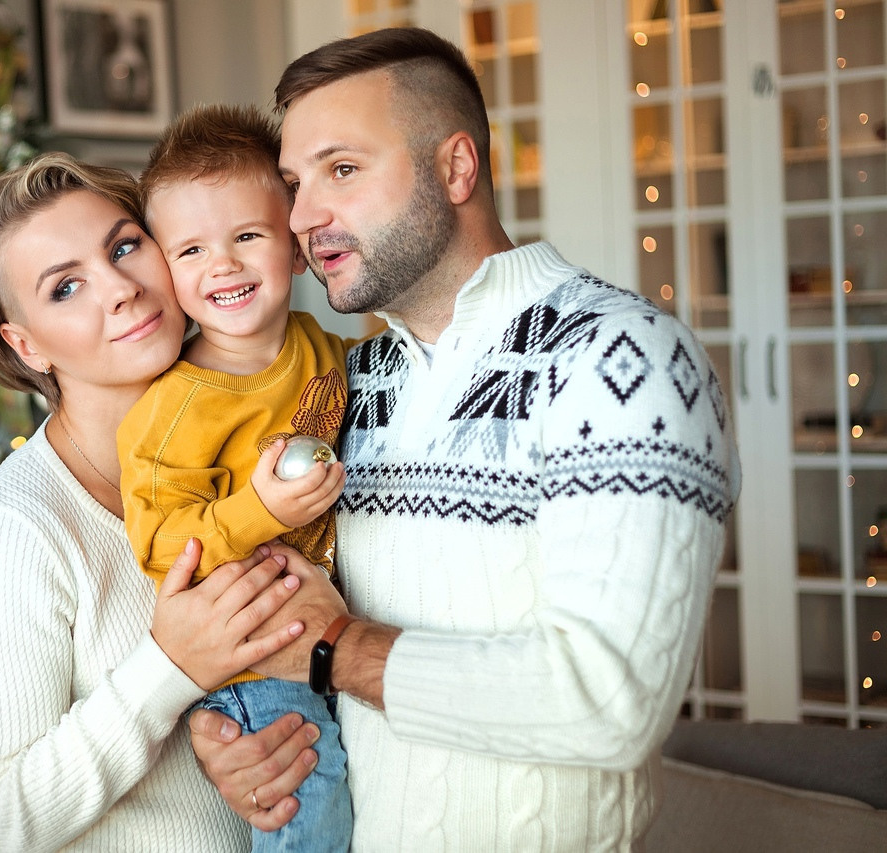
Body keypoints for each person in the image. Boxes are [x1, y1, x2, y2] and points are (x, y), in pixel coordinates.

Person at [189, 27, 742, 850]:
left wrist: (338, 649)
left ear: (456, 167)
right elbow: (288, 629)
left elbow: (609, 701)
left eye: (342, 170)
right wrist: (235, 736)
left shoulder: (620, 357)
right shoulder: (347, 383)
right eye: (296, 183)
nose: (302, 217)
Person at [0, 151, 308, 852]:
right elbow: (2, 819)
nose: (119, 288)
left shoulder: (263, 416)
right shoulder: (17, 530)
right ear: (24, 346)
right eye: (66, 287)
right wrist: (169, 667)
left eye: (124, 246)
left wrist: (225, 742)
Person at [119, 104, 353, 852]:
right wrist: (257, 507)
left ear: (296, 245)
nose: (221, 264)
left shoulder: (324, 347)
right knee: (310, 807)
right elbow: (158, 543)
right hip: (253, 652)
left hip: (322, 627)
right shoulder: (177, 405)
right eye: (189, 250)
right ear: (167, 272)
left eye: (247, 236)